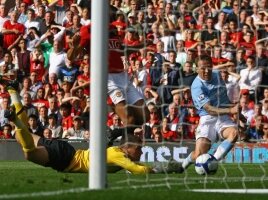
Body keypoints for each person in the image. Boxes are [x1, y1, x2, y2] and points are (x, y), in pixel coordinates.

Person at [5, 87, 182, 174]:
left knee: (23, 137)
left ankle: (13, 92)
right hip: (66, 159)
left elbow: (133, 164)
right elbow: (138, 170)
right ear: (127, 148)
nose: (141, 151)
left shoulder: (116, 153)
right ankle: (15, 119)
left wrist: (121, 131)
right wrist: (164, 168)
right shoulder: (116, 155)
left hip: (67, 151)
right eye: (138, 148)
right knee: (29, 153)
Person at [182, 55, 239, 171]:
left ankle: (213, 161)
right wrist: (231, 110)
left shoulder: (218, 76)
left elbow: (224, 99)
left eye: (209, 67)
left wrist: (238, 114)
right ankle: (182, 166)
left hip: (222, 117)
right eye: (203, 68)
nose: (207, 71)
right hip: (207, 119)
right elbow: (209, 109)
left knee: (234, 133)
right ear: (197, 69)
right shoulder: (197, 86)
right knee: (198, 155)